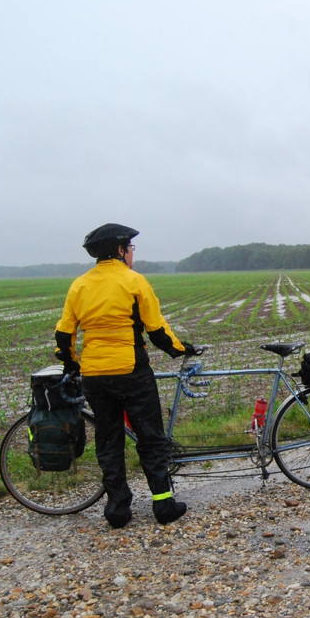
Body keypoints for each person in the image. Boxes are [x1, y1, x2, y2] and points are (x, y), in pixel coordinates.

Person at [54, 223, 197, 528]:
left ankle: (117, 509)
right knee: (151, 437)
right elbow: (156, 329)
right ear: (119, 250)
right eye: (130, 248)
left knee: (108, 440)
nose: (132, 253)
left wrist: (73, 364)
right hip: (131, 370)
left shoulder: (79, 285)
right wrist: (181, 349)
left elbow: (64, 333)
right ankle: (163, 505)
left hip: (95, 373)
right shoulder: (134, 281)